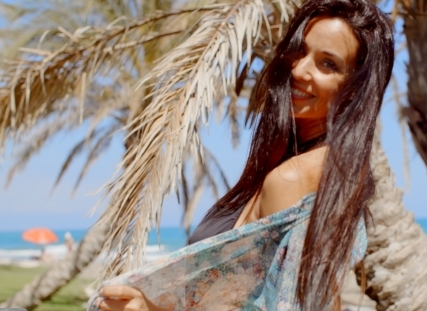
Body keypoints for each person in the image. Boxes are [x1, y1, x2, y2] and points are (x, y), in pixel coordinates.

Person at [91, 0, 394, 310]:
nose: (299, 69)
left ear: (356, 89)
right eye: (300, 51)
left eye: (328, 64)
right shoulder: (333, 170)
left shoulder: (294, 178)